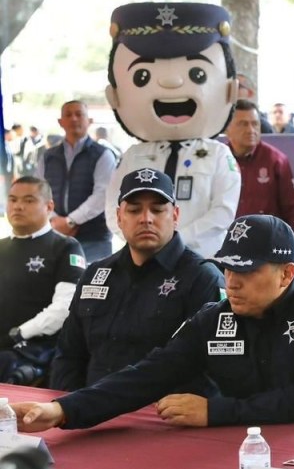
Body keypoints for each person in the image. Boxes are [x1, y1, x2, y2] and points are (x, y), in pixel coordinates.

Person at [14, 215, 294, 430]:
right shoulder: (218, 316)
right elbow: (148, 374)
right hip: (258, 444)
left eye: (245, 270)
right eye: (226, 267)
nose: (231, 280)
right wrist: (64, 410)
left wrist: (215, 411)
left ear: (286, 274)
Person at [50, 169, 225, 391]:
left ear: (175, 216)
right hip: (86, 414)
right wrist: (67, 411)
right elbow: (69, 354)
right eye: (134, 210)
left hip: (162, 418)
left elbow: (212, 369)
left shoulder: (202, 279)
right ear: (119, 218)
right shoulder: (95, 274)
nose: (146, 219)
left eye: (158, 209)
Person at [103, 2, 242, 259]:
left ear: (229, 89)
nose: (171, 83)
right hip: (144, 261)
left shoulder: (218, 155)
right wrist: (140, 242)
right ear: (114, 95)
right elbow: (113, 208)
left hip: (203, 261)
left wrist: (174, 240)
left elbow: (223, 211)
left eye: (197, 74)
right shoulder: (133, 156)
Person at [0, 177, 86, 385]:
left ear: (49, 206)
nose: (18, 206)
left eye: (29, 200)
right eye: (13, 200)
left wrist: (19, 333)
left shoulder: (65, 248)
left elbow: (64, 308)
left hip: (35, 349)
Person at [224, 100, 294, 265]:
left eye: (255, 124)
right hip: (227, 250)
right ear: (228, 129)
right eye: (243, 124)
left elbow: (293, 211)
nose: (251, 130)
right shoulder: (219, 160)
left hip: (266, 253)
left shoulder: (276, 161)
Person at [43, 101, 116, 263]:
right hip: (55, 234)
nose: (74, 119)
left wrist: (70, 221)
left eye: (79, 114)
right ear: (60, 122)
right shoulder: (48, 156)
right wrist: (54, 220)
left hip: (94, 238)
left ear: (89, 121)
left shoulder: (103, 155)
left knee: (92, 284)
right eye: (68, 115)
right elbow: (40, 192)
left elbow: (102, 194)